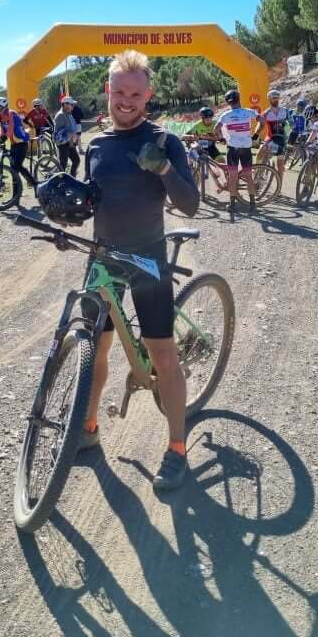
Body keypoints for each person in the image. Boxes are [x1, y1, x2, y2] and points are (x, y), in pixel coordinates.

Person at [82, 49, 198, 490]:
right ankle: (88, 428)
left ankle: (176, 447)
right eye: (118, 92)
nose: (126, 100)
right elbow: (95, 198)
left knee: (163, 353)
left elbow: (190, 203)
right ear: (108, 92)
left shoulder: (167, 141)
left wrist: (165, 167)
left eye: (135, 93)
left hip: (147, 258)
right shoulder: (95, 144)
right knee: (96, 350)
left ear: (147, 95)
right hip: (103, 258)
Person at [214, 90, 258, 213]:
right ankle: (253, 204)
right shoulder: (249, 112)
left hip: (233, 148)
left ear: (228, 102)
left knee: (233, 177)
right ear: (239, 99)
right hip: (246, 148)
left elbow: (216, 129)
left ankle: (232, 205)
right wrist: (256, 135)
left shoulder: (226, 115)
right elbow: (263, 121)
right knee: (249, 176)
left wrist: (222, 139)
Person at [0, 97, 34, 187]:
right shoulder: (1, 116)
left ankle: (30, 185)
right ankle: (31, 181)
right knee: (15, 167)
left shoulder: (12, 113)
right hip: (13, 144)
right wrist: (1, 139)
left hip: (22, 144)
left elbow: (10, 129)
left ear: (3, 106)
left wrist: (4, 137)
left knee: (15, 168)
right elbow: (3, 130)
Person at [254, 89, 289, 189]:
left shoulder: (285, 111)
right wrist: (255, 136)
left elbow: (291, 124)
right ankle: (257, 174)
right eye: (273, 98)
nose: (276, 100)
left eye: (277, 98)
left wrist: (290, 134)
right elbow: (260, 125)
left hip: (282, 139)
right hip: (270, 138)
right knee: (260, 153)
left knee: (280, 166)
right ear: (269, 99)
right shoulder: (266, 113)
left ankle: (279, 188)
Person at [54, 96, 80, 176]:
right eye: (72, 104)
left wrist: (74, 136)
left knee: (76, 160)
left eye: (73, 105)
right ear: (65, 105)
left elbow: (73, 127)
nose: (73, 106)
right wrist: (71, 135)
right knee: (63, 165)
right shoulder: (60, 115)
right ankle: (59, 182)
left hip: (70, 143)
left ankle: (72, 179)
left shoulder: (68, 114)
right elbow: (59, 134)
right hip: (63, 144)